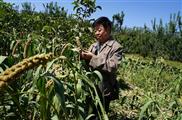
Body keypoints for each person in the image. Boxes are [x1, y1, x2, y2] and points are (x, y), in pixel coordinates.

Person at [80, 16, 123, 118]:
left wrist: (92, 58)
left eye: (99, 30)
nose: (96, 33)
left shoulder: (116, 47)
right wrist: (82, 56)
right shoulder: (94, 45)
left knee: (99, 114)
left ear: (107, 29)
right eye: (95, 31)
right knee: (89, 113)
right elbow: (87, 61)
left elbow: (112, 66)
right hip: (91, 87)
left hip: (104, 90)